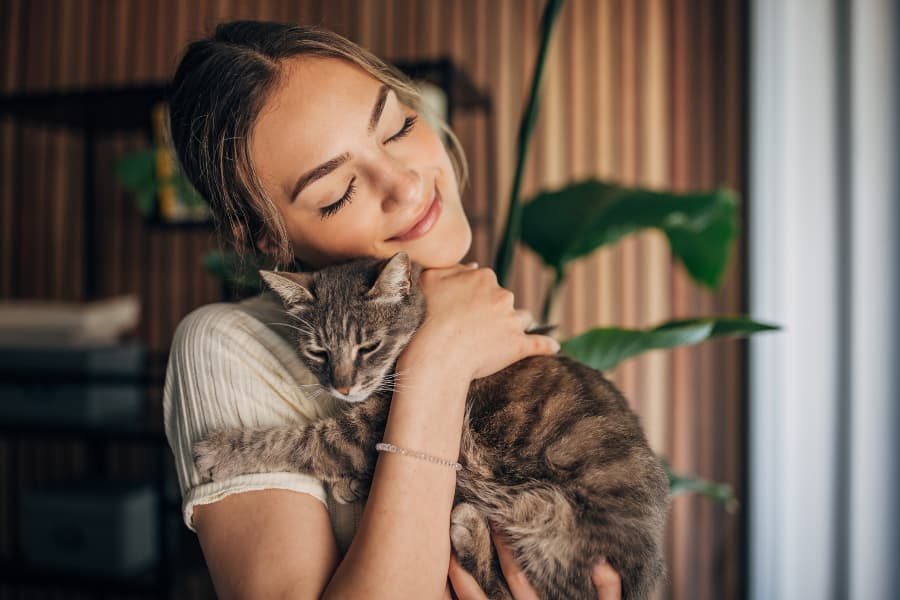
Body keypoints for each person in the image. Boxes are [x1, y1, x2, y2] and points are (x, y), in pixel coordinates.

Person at [163, 20, 622, 599]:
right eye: (337, 193)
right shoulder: (228, 344)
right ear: (264, 237)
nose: (406, 186)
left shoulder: (491, 322)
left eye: (398, 126)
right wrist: (437, 368)